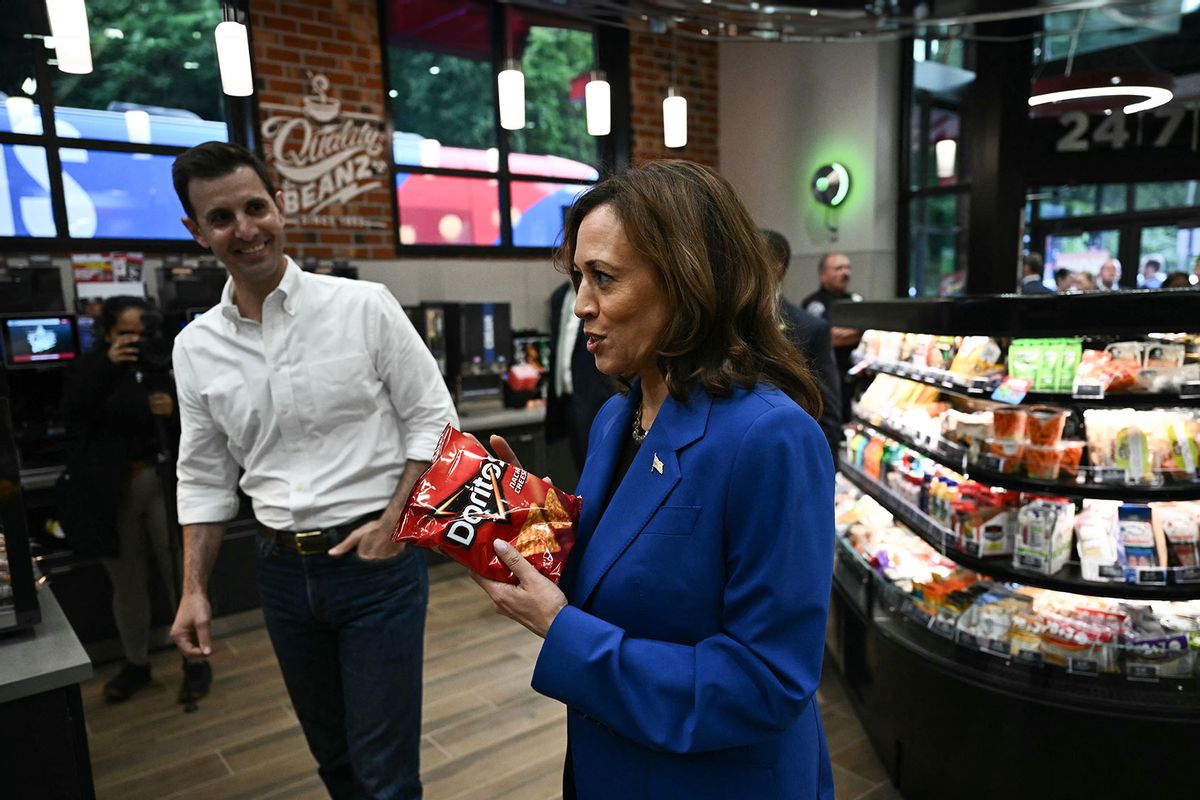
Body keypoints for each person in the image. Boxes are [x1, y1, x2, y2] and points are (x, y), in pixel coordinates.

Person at [473, 160, 835, 799]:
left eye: (604, 279)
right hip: (616, 760)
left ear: (688, 281)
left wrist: (564, 631)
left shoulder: (770, 437)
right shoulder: (619, 416)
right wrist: (533, 524)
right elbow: (628, 570)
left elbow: (768, 680)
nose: (581, 305)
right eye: (579, 278)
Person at [167, 141, 455, 800]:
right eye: (221, 218)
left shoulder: (363, 307)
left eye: (255, 207)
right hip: (282, 574)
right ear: (195, 231)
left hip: (375, 565)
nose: (245, 229)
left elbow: (436, 425)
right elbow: (204, 475)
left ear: (280, 205)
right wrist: (193, 589)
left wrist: (394, 524)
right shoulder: (195, 348)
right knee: (333, 762)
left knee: (384, 774)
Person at [60, 296, 210, 703]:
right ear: (107, 332)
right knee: (126, 584)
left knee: (180, 577)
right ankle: (136, 662)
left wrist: (172, 409)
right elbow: (72, 410)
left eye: (142, 335)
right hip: (113, 491)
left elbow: (200, 423)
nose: (135, 342)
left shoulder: (162, 363)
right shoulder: (90, 368)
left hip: (163, 482)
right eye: (126, 334)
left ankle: (196, 661)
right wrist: (110, 364)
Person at [761, 228, 842, 458]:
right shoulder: (724, 320)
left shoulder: (809, 328)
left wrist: (825, 474)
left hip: (788, 454)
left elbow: (827, 409)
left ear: (776, 266)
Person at [546, 280, 615, 474]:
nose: (580, 309)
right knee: (582, 477)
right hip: (567, 401)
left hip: (598, 400)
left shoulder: (602, 294)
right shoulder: (559, 297)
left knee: (603, 475)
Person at [801, 252, 862, 420]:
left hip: (856, 374)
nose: (845, 273)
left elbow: (869, 332)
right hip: (826, 376)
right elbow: (830, 339)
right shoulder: (814, 303)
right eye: (838, 268)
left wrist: (849, 333)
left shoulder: (856, 300)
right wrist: (857, 332)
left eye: (848, 268)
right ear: (823, 275)